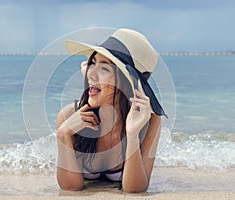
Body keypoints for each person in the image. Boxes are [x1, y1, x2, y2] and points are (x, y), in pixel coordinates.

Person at [56, 28, 166, 193]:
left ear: (125, 81)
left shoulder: (150, 120)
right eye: (92, 64)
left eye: (105, 68)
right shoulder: (69, 115)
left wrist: (132, 134)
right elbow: (70, 187)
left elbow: (135, 189)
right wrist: (63, 134)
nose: (91, 75)